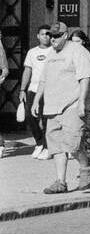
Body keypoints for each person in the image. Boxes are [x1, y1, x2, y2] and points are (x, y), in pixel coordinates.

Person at [31, 22, 90, 194]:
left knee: (73, 145)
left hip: (72, 105)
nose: (53, 39)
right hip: (52, 107)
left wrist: (82, 101)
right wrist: (36, 101)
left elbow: (85, 78)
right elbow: (43, 80)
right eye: (51, 36)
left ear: (65, 35)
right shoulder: (50, 54)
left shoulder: (78, 51)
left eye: (57, 36)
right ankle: (61, 182)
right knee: (56, 147)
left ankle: (85, 167)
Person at [19, 25, 52, 157]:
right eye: (43, 34)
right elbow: (28, 71)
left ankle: (47, 147)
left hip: (48, 90)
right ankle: (39, 143)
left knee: (45, 119)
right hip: (33, 89)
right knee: (30, 117)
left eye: (48, 34)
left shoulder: (54, 51)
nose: (45, 36)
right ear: (38, 36)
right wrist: (22, 89)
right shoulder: (32, 52)